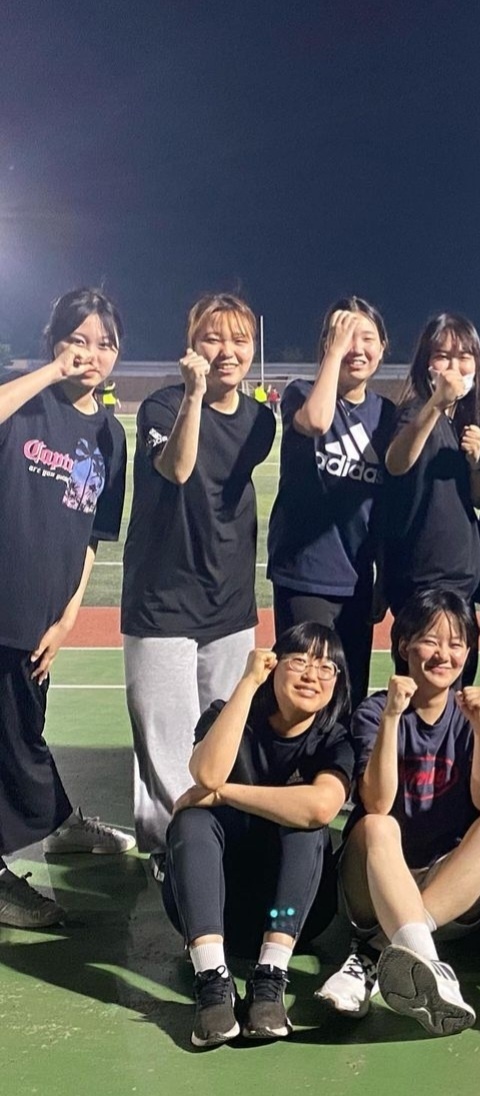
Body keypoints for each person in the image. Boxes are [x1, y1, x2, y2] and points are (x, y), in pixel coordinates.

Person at [122, 293, 276, 876]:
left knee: (222, 733)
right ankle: (173, 852)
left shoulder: (261, 420)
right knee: (166, 743)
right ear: (192, 345)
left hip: (229, 601)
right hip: (161, 600)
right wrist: (193, 394)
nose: (227, 350)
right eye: (214, 338)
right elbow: (180, 468)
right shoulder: (162, 406)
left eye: (239, 339)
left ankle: (214, 844)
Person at [317, 589, 480, 1035]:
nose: (445, 654)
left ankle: (374, 955)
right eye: (430, 640)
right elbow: (378, 802)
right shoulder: (373, 712)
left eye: (457, 643)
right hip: (374, 888)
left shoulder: (470, 716)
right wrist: (391, 716)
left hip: (448, 894)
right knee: (378, 826)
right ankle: (423, 960)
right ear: (404, 645)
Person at [0, 289, 132, 928]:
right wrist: (51, 371)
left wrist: (69, 616)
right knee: (9, 744)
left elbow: (92, 536)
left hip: (42, 622)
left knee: (22, 734)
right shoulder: (26, 402)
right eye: (78, 339)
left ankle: (58, 822)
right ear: (54, 341)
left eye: (105, 343)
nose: (91, 354)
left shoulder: (110, 435)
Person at [163, 623, 354, 1047]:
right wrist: (248, 683)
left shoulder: (334, 739)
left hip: (289, 916)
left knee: (306, 826)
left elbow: (321, 807)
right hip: (212, 912)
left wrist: (224, 794)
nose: (312, 674)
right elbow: (207, 772)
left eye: (326, 667)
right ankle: (212, 980)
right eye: (299, 661)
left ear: (337, 683)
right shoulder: (227, 713)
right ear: (273, 666)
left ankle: (271, 978)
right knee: (192, 821)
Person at [266, 298, 396, 704]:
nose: (357, 348)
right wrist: (335, 354)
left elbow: (385, 509)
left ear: (383, 347)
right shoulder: (301, 393)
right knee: (304, 694)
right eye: (345, 337)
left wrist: (382, 577)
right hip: (304, 575)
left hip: (356, 579)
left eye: (367, 338)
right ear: (327, 343)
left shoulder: (386, 414)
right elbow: (317, 422)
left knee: (349, 696)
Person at [383, 313, 480, 682]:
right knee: (424, 695)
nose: (454, 367)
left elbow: (479, 498)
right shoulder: (417, 412)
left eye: (464, 357)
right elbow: (396, 462)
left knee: (456, 701)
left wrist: (476, 464)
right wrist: (437, 403)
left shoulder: (465, 421)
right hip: (423, 585)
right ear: (425, 364)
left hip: (462, 587)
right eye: (442, 356)